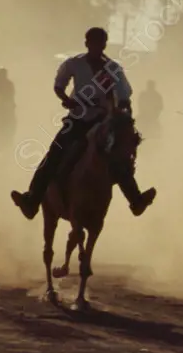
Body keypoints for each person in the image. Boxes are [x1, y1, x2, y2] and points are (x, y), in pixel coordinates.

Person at [9, 27, 157, 219]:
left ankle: (135, 200)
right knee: (53, 156)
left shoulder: (113, 69)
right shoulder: (74, 64)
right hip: (77, 121)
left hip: (102, 124)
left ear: (105, 44)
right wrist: (66, 98)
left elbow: (124, 94)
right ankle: (32, 201)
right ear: (86, 43)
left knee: (119, 158)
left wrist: (122, 111)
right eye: (93, 42)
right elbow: (59, 84)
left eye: (101, 42)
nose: (97, 46)